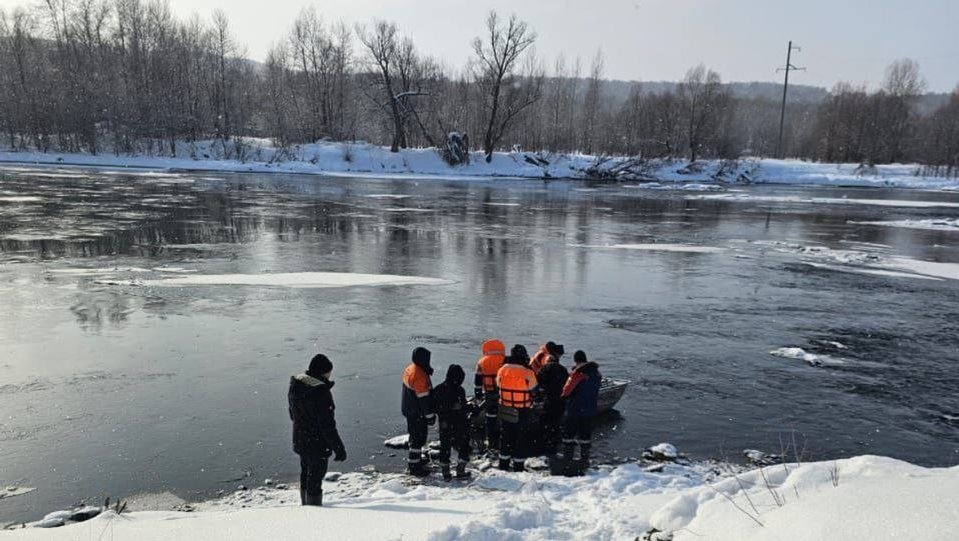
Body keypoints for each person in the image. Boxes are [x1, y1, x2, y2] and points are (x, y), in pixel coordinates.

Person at [288, 353, 347, 506]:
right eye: (329, 372)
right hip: (317, 444)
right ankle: (313, 511)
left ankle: (305, 505)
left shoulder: (296, 384)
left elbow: (292, 413)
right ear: (323, 372)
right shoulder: (321, 392)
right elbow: (327, 426)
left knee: (305, 474)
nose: (330, 374)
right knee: (315, 478)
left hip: (301, 438)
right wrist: (338, 448)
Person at [496, 345, 539, 472]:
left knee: (505, 437)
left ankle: (503, 464)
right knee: (519, 437)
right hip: (522, 409)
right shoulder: (527, 372)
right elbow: (534, 390)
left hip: (505, 407)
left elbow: (498, 384)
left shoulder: (502, 369)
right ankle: (518, 466)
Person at [433, 364, 474, 481]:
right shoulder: (460, 390)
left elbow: (434, 407)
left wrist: (445, 410)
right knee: (464, 445)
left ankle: (446, 473)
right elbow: (462, 408)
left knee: (445, 447)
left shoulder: (438, 389)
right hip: (459, 424)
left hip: (444, 424)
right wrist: (469, 408)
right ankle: (460, 470)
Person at [561, 350, 602, 468]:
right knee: (585, 435)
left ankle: (568, 459)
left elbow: (566, 391)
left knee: (568, 435)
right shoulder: (596, 373)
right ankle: (584, 460)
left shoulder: (577, 374)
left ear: (575, 360)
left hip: (575, 409)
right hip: (590, 408)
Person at [402, 347, 436, 476]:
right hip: (417, 412)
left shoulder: (410, 369)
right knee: (418, 438)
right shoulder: (419, 376)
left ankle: (415, 461)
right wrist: (430, 416)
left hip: (409, 409)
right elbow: (423, 400)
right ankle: (414, 467)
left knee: (414, 436)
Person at [535, 342, 568, 458]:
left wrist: (537, 397)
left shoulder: (543, 368)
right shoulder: (563, 370)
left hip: (549, 400)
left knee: (545, 422)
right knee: (556, 422)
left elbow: (537, 384)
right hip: (560, 400)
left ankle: (543, 446)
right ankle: (555, 445)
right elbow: (567, 385)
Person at [473, 339, 506, 453]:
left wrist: (478, 394)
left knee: (490, 417)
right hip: (503, 394)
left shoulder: (482, 362)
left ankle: (491, 441)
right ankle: (503, 440)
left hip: (489, 393)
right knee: (505, 418)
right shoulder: (505, 361)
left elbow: (478, 380)